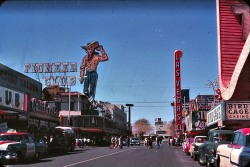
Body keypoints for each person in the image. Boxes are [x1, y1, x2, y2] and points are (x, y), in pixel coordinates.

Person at [79, 41, 109, 105]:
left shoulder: (96, 56)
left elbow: (105, 58)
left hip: (93, 73)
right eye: (88, 49)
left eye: (91, 49)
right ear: (86, 50)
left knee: (92, 90)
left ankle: (92, 103)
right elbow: (82, 67)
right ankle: (92, 101)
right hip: (87, 73)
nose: (89, 51)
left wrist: (101, 50)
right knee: (85, 91)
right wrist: (81, 76)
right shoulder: (85, 58)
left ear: (93, 49)